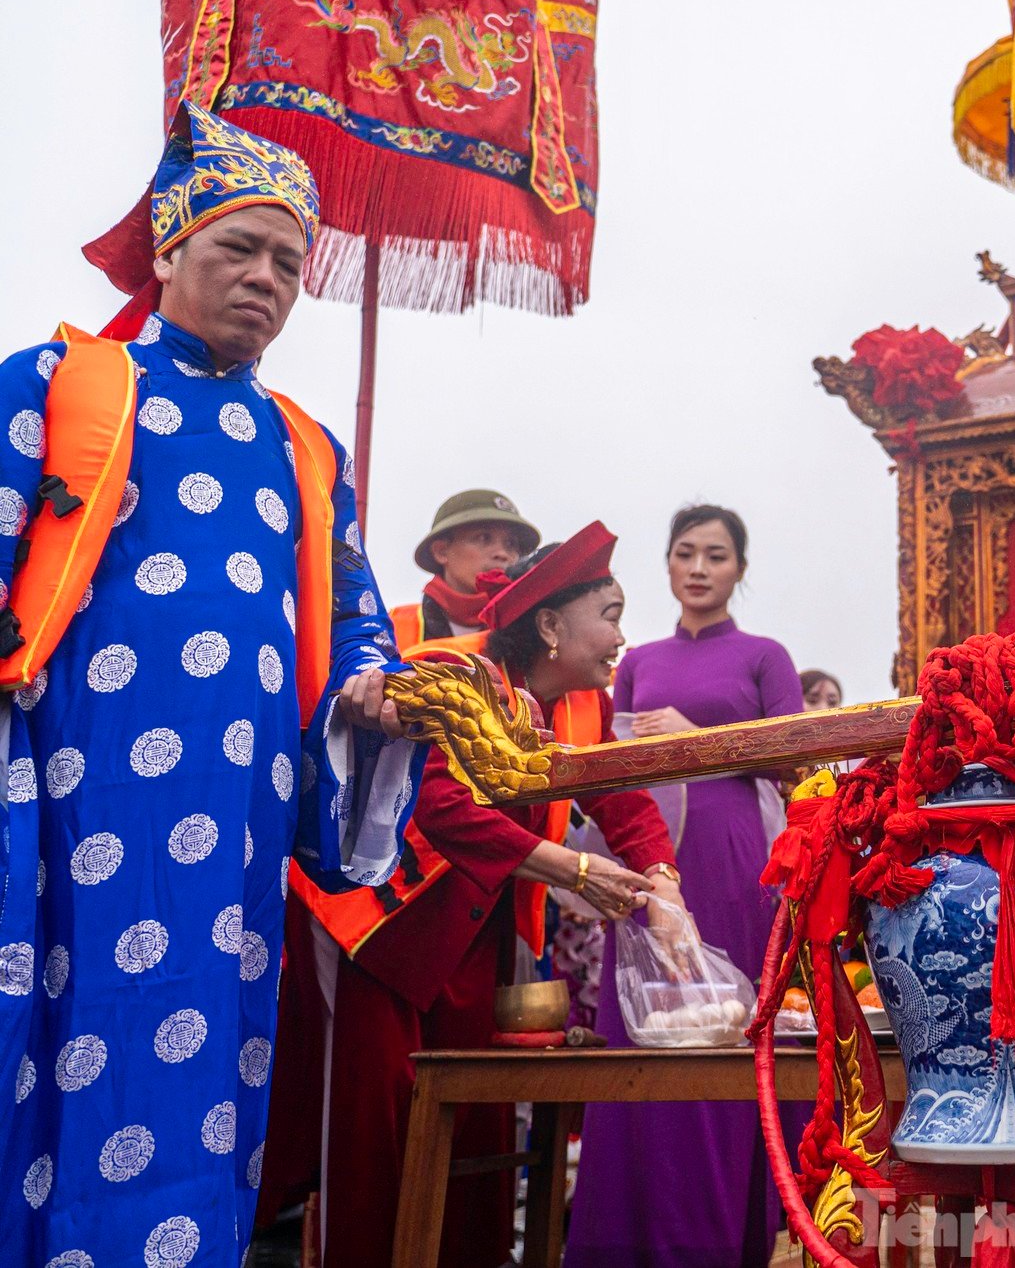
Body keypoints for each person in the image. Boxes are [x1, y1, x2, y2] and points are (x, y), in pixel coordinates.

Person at [0, 102, 418, 1268]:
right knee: (43, 1054)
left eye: (290, 260)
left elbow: (353, 625)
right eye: (240, 245)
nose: (269, 278)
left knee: (203, 1070)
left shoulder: (302, 446)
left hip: (228, 836)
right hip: (61, 810)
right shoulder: (61, 386)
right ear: (170, 248)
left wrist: (380, 699)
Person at [268, 522, 679, 1267]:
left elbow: (625, 799)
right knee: (376, 1131)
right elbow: (441, 806)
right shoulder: (452, 674)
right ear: (550, 624)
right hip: (379, 926)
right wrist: (575, 870)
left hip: (472, 934)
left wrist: (665, 886)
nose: (623, 637)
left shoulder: (582, 705)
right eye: (611, 615)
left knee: (478, 1124)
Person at [564, 504, 805, 1267]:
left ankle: (721, 1232)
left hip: (733, 858)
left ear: (739, 569)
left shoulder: (766, 655)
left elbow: (795, 756)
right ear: (667, 565)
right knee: (643, 1015)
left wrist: (698, 743)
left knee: (725, 1024)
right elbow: (615, 755)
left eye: (717, 556)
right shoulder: (635, 660)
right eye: (685, 554)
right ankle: (628, 1233)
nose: (699, 569)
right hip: (650, 855)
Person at [388, 489, 540, 645]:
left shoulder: (535, 633)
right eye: (483, 538)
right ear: (441, 551)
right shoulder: (391, 628)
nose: (502, 554)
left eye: (511, 544)